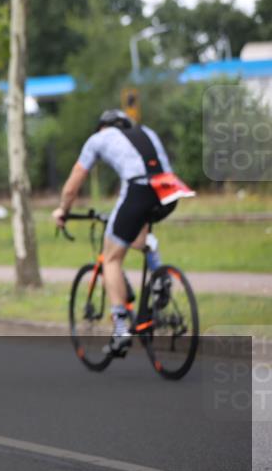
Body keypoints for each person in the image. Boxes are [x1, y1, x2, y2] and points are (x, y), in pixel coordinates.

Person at [52, 109, 194, 356]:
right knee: (138, 238)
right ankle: (159, 276)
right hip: (170, 191)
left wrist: (63, 210)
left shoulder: (98, 139)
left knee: (111, 258)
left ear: (101, 126)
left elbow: (74, 183)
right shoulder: (146, 131)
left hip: (139, 190)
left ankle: (120, 329)